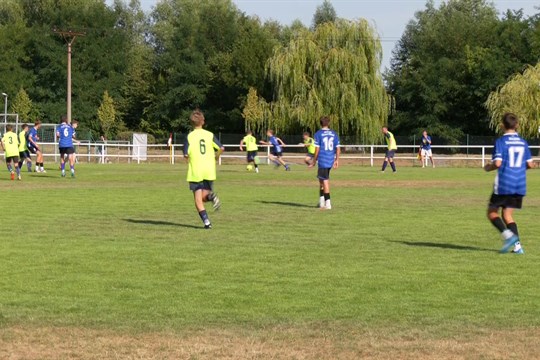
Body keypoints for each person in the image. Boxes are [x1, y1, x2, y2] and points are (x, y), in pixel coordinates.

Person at [484, 113, 533, 254]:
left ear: (502, 125)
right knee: (507, 214)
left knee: (492, 212)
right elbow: (531, 164)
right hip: (519, 184)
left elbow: (498, 163)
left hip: (505, 183)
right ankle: (518, 247)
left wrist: (488, 167)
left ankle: (508, 236)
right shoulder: (523, 142)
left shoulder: (501, 142)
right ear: (517, 125)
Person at [184, 109, 224, 229]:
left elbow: (186, 155)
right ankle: (211, 197)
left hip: (196, 171)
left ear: (191, 122)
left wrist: (189, 159)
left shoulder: (189, 137)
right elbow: (221, 148)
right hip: (209, 170)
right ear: (203, 121)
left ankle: (207, 223)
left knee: (198, 200)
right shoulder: (209, 135)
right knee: (203, 197)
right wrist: (216, 157)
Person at [312, 116, 340, 210]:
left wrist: (314, 160)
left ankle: (328, 204)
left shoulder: (318, 134)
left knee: (325, 181)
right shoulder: (334, 134)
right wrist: (337, 160)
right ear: (328, 123)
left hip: (323, 160)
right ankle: (321, 202)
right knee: (321, 180)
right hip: (330, 159)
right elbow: (338, 148)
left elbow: (317, 149)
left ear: (320, 123)